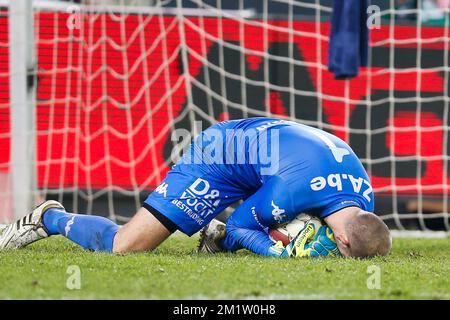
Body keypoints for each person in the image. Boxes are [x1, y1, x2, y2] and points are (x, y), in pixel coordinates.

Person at [0, 118, 391, 258]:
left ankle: (213, 238)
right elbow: (243, 224)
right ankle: (49, 217)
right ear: (341, 239)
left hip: (267, 154)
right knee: (126, 247)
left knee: (275, 221)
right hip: (220, 155)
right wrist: (275, 252)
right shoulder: (292, 192)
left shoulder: (364, 199)